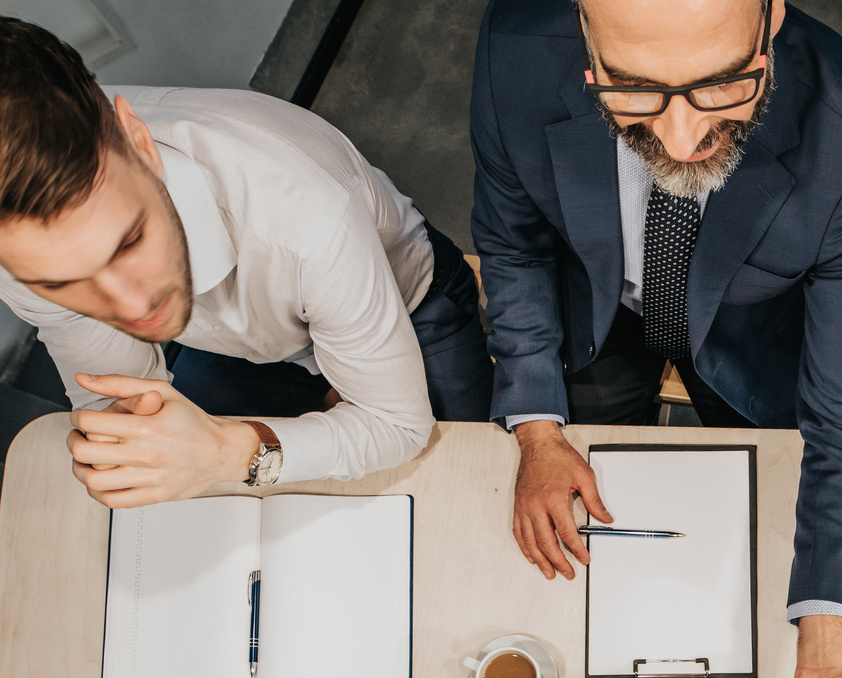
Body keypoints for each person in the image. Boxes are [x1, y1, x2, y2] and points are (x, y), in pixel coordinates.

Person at [470, 0, 842, 678]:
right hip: (597, 315)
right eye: (632, 90)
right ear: (584, 37)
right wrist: (537, 428)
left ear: (772, 16)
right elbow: (512, 243)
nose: (677, 141)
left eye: (719, 86)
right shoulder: (512, 50)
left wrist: (824, 653)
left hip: (750, 348)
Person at [0, 18, 492, 506]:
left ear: (138, 140)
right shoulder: (20, 250)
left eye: (129, 241)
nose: (131, 306)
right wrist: (123, 445)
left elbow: (398, 426)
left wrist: (227, 453)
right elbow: (124, 407)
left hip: (414, 304)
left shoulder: (307, 220)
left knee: (450, 495)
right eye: (64, 285)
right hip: (248, 349)